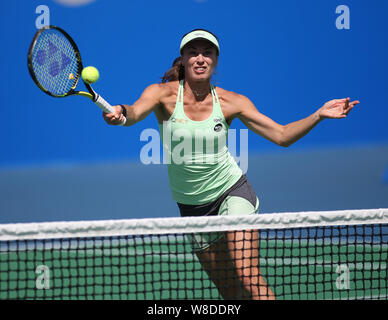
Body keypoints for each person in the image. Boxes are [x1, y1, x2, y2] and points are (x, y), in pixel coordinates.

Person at [103, 29, 359, 300]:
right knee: (230, 292)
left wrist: (318, 115)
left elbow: (282, 135)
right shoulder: (162, 95)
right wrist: (121, 112)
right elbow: (134, 112)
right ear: (183, 58)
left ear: (215, 60)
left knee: (248, 276)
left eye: (207, 53)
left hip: (231, 193)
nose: (200, 58)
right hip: (192, 209)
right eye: (193, 52)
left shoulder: (231, 102)